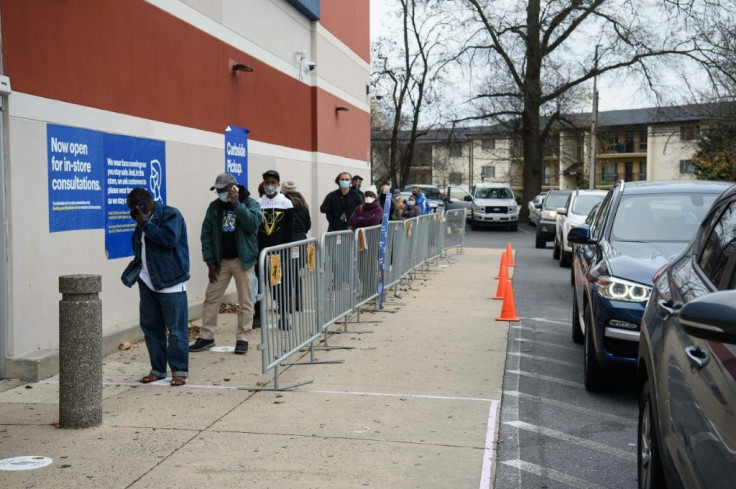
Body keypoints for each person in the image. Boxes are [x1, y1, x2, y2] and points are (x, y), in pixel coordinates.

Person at [121, 188, 190, 387]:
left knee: (176, 330)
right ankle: (158, 370)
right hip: (147, 282)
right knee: (152, 328)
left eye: (136, 210)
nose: (135, 216)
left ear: (147, 204)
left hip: (171, 282)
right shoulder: (142, 223)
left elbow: (168, 240)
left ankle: (179, 371)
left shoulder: (171, 215)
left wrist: (146, 223)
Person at [190, 173, 262, 355]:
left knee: (245, 300)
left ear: (233, 188)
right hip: (221, 262)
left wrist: (236, 204)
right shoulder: (214, 207)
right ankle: (206, 337)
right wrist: (210, 262)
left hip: (242, 260)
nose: (220, 193)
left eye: (223, 190)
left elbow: (253, 224)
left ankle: (243, 339)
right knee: (211, 298)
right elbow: (206, 234)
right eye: (218, 190)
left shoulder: (250, 203)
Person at [254, 170, 294, 328]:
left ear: (278, 184)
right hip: (260, 251)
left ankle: (283, 316)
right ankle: (257, 315)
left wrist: (286, 250)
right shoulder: (257, 203)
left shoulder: (285, 203)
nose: (270, 185)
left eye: (273, 182)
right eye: (267, 182)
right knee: (258, 284)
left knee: (277, 284)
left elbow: (288, 230)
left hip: (277, 252)